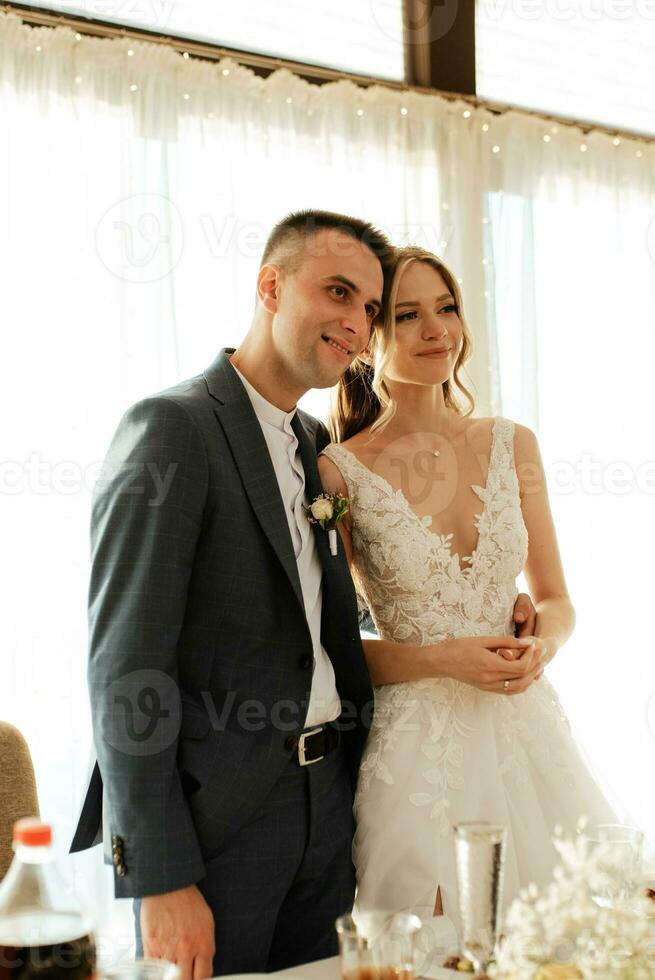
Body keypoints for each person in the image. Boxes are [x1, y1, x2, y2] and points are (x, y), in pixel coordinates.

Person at [319, 245, 617, 924]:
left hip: (526, 728)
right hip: (417, 755)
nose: (436, 330)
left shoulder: (514, 444)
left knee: (559, 937)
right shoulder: (338, 472)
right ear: (366, 339)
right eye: (406, 315)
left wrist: (541, 644)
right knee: (433, 943)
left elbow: (554, 600)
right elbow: (329, 647)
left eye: (445, 308)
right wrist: (441, 660)